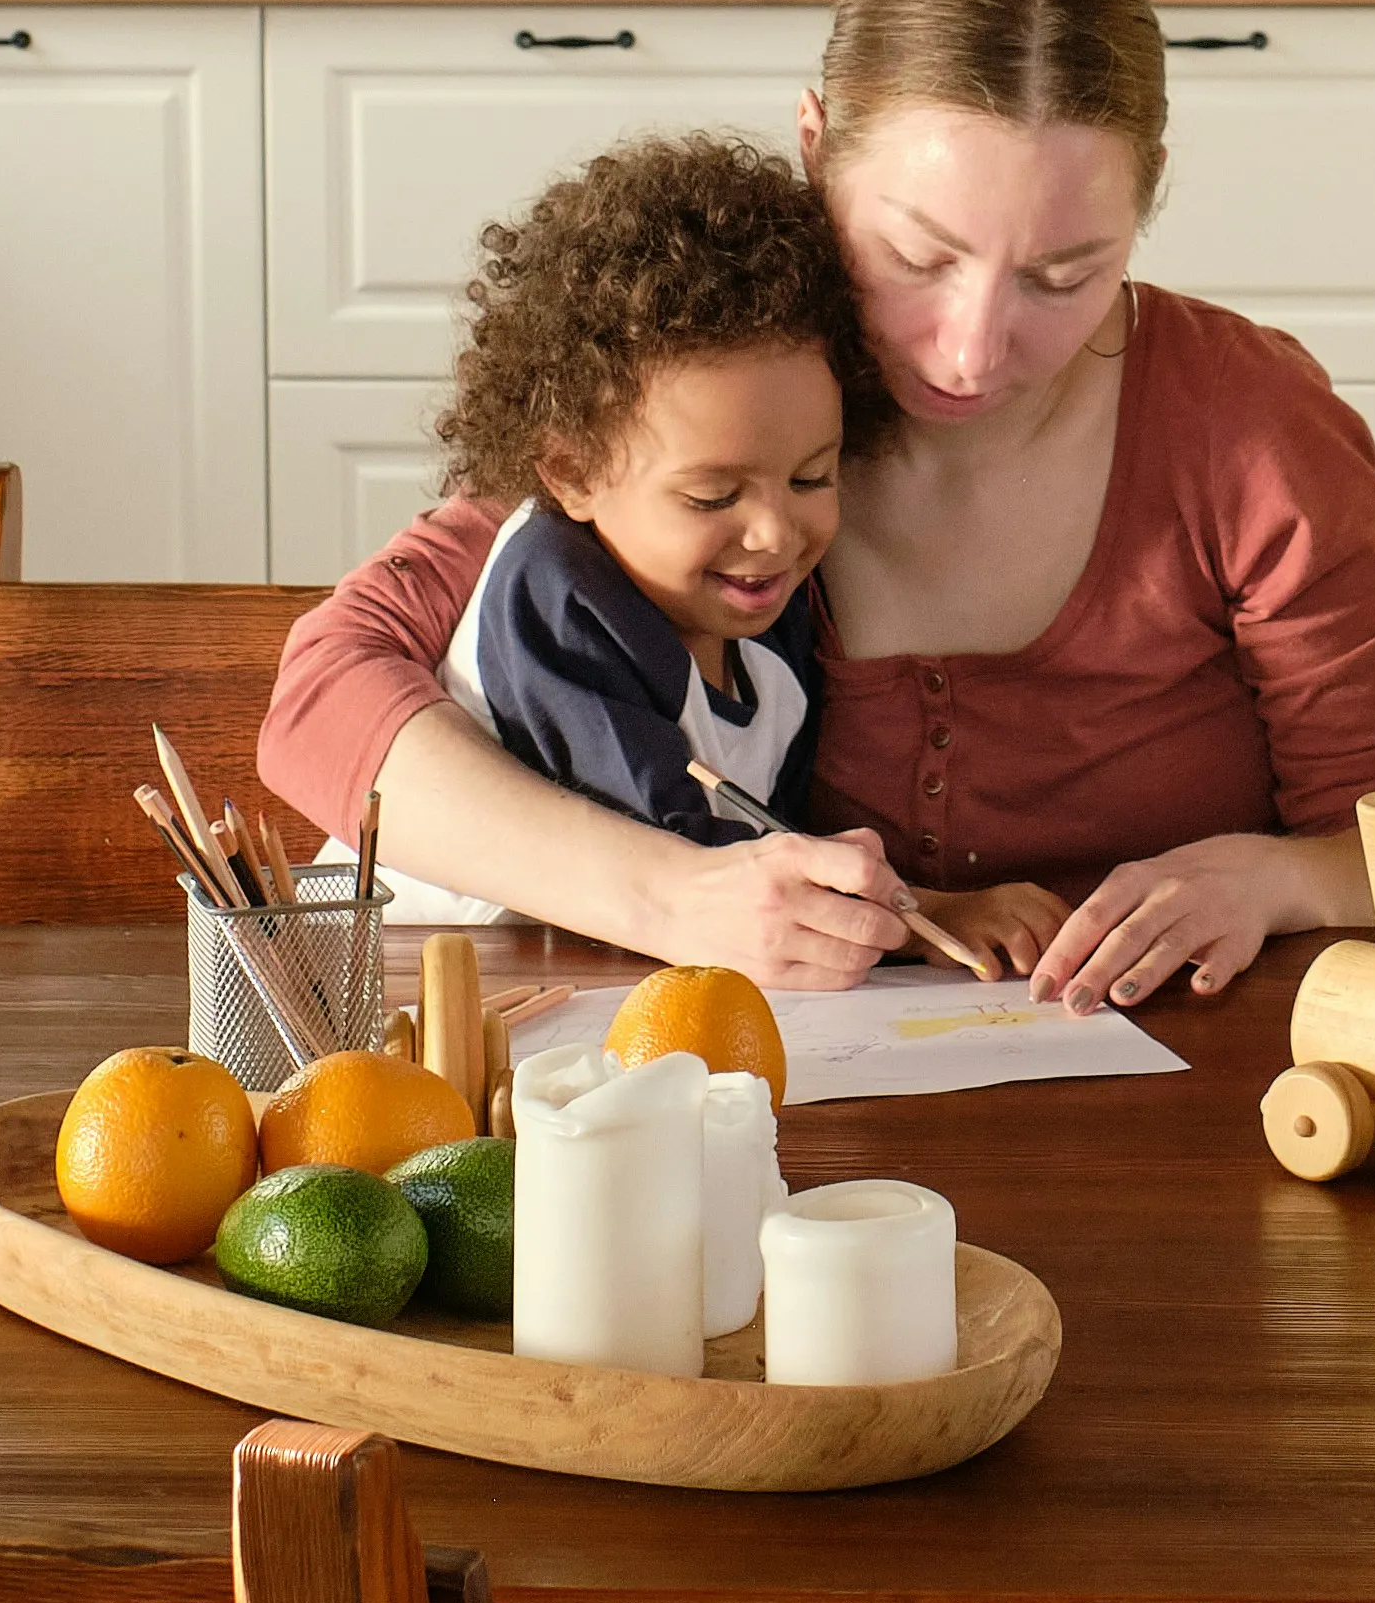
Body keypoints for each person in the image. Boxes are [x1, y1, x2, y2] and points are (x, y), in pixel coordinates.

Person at [257, 0, 1375, 1603]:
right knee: (930, 1517)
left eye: (1066, 269)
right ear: (817, 145)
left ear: (1151, 217)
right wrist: (679, 901)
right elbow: (324, 707)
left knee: (954, 1505)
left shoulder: (1239, 427)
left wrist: (1255, 873)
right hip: (760, 1214)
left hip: (1165, 1235)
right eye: (915, 252)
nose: (975, 341)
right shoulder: (716, 390)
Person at [401, 128, 1017, 976]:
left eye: (811, 478)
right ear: (574, 472)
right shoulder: (557, 590)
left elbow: (771, 843)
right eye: (712, 497)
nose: (773, 535)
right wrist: (924, 918)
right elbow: (695, 866)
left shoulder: (765, 607)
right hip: (420, 991)